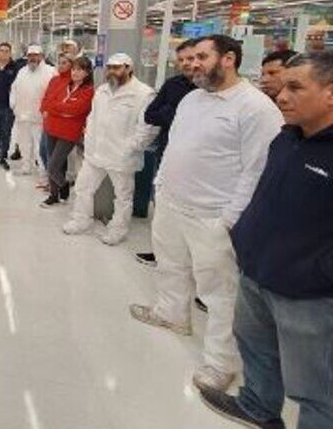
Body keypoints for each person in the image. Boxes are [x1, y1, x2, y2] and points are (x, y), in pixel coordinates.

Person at [197, 52, 333, 429]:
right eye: (282, 86)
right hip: (257, 273)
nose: (281, 96)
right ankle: (258, 406)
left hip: (313, 296)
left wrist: (316, 273)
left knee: (316, 390)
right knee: (257, 352)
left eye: (295, 87)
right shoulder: (287, 138)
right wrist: (245, 238)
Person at [129, 35, 284, 392]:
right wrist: (161, 185)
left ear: (228, 59)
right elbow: (175, 145)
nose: (193, 64)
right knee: (171, 265)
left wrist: (230, 218)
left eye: (202, 57)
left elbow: (258, 170)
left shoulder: (255, 108)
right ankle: (171, 313)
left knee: (219, 292)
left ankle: (220, 362)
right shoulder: (192, 99)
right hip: (172, 202)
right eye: (191, 57)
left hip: (213, 214)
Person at [61, 52, 158, 245]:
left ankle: (118, 230)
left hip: (122, 156)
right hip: (96, 152)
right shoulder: (103, 90)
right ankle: (81, 220)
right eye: (110, 68)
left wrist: (130, 148)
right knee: (83, 187)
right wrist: (89, 141)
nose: (112, 71)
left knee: (122, 196)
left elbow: (148, 128)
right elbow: (93, 118)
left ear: (128, 69)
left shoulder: (143, 94)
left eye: (117, 67)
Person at [134, 38, 200, 266]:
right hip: (167, 153)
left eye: (192, 58)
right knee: (162, 205)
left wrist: (172, 113)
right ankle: (162, 252)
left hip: (198, 161)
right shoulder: (173, 85)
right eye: (181, 60)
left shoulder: (209, 90)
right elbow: (150, 115)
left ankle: (191, 261)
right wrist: (175, 113)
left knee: (193, 214)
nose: (186, 63)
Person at [40, 55, 94, 206]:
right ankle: (54, 194)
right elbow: (49, 102)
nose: (75, 72)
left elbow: (76, 110)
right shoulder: (63, 84)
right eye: (74, 69)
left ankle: (63, 185)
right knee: (52, 163)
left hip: (69, 133)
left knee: (52, 167)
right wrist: (61, 110)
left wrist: (56, 108)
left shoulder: (89, 91)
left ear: (87, 72)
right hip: (51, 127)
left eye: (80, 70)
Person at [9, 45, 55, 175]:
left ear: (42, 56)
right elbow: (14, 89)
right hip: (22, 115)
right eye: (30, 55)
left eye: (36, 55)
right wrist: (13, 105)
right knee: (24, 144)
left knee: (40, 146)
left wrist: (48, 111)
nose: (33, 58)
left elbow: (54, 93)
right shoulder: (22, 71)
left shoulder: (51, 71)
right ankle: (26, 166)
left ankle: (43, 170)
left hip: (39, 117)